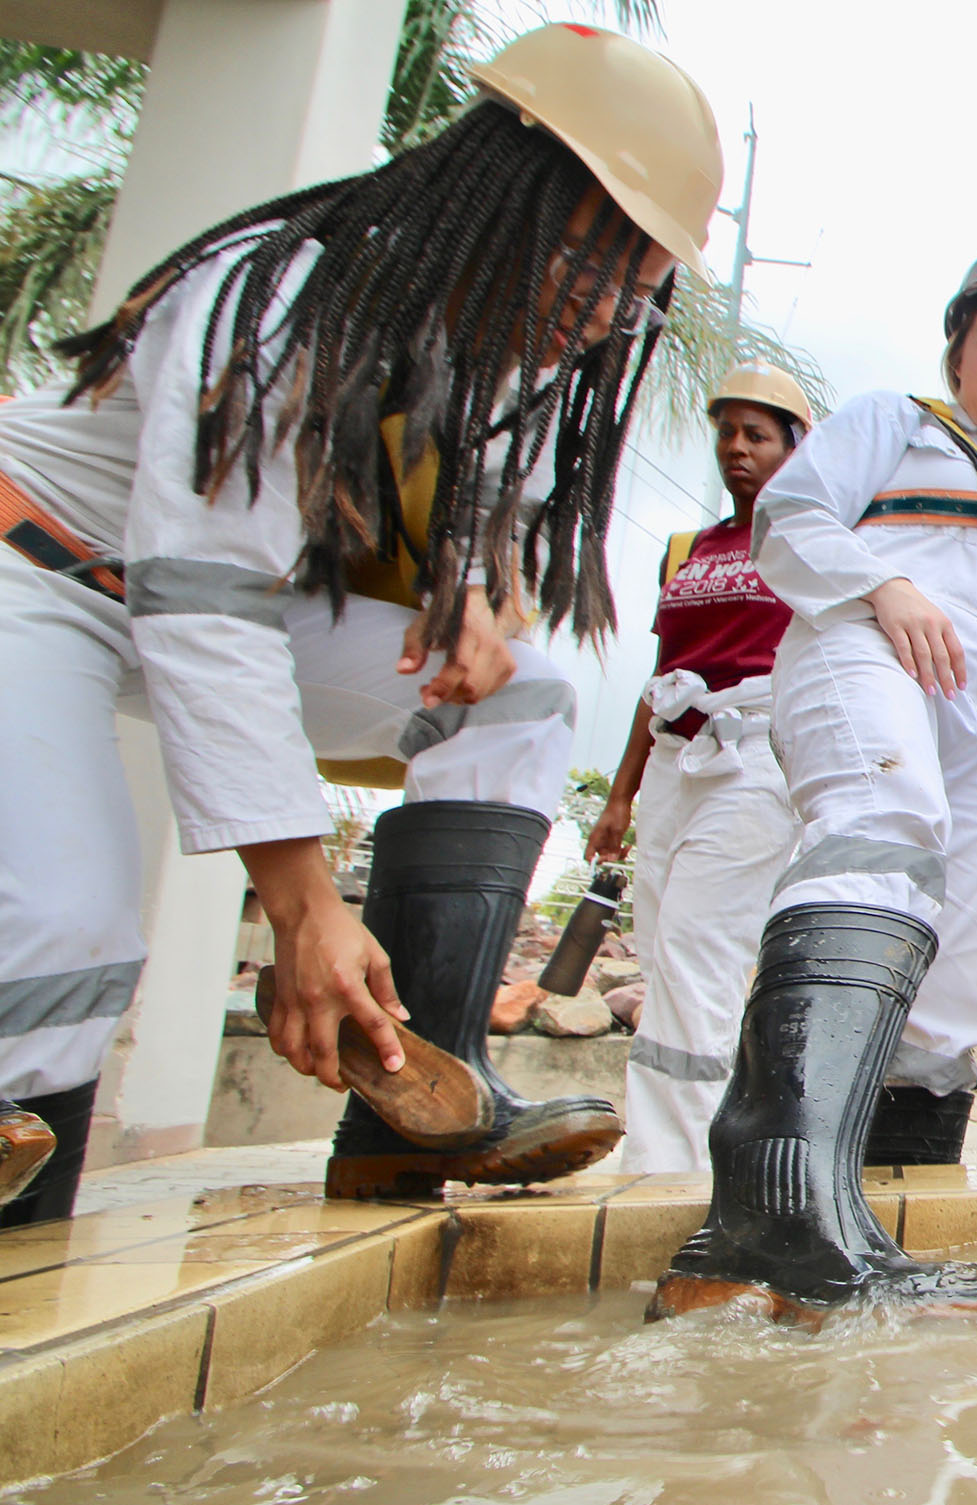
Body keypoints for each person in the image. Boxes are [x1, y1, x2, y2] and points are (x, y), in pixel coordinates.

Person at [0, 23, 719, 1217]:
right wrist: (302, 905)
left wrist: (481, 597)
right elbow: (207, 597)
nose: (599, 314)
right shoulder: (282, 291)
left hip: (190, 605)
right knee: (65, 921)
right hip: (36, 577)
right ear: (506, 191)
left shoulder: (505, 362)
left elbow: (487, 512)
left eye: (631, 294)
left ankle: (421, 1103)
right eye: (589, 267)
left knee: (523, 697)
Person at [649, 242, 977, 1322]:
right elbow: (787, 519)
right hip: (864, 653)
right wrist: (882, 583)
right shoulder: (889, 424)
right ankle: (765, 1211)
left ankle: (887, 1220)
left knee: (967, 964)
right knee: (881, 832)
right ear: (958, 349)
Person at [586, 364, 811, 1174]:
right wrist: (619, 794)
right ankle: (710, 1145)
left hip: (754, 760)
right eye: (727, 432)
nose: (737, 449)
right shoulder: (691, 548)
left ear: (796, 444)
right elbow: (662, 672)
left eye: (757, 434)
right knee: (662, 951)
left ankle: (668, 1168)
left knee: (694, 949)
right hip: (673, 764)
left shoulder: (811, 540)